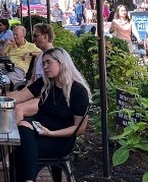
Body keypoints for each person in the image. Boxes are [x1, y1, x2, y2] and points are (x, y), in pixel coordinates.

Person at [8, 47, 91, 182]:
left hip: (59, 139)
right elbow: (20, 96)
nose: (45, 67)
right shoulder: (45, 83)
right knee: (23, 126)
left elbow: (79, 129)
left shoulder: (78, 91)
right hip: (39, 129)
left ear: (62, 63)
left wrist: (50, 134)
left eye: (48, 63)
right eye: (43, 64)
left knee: (21, 150)